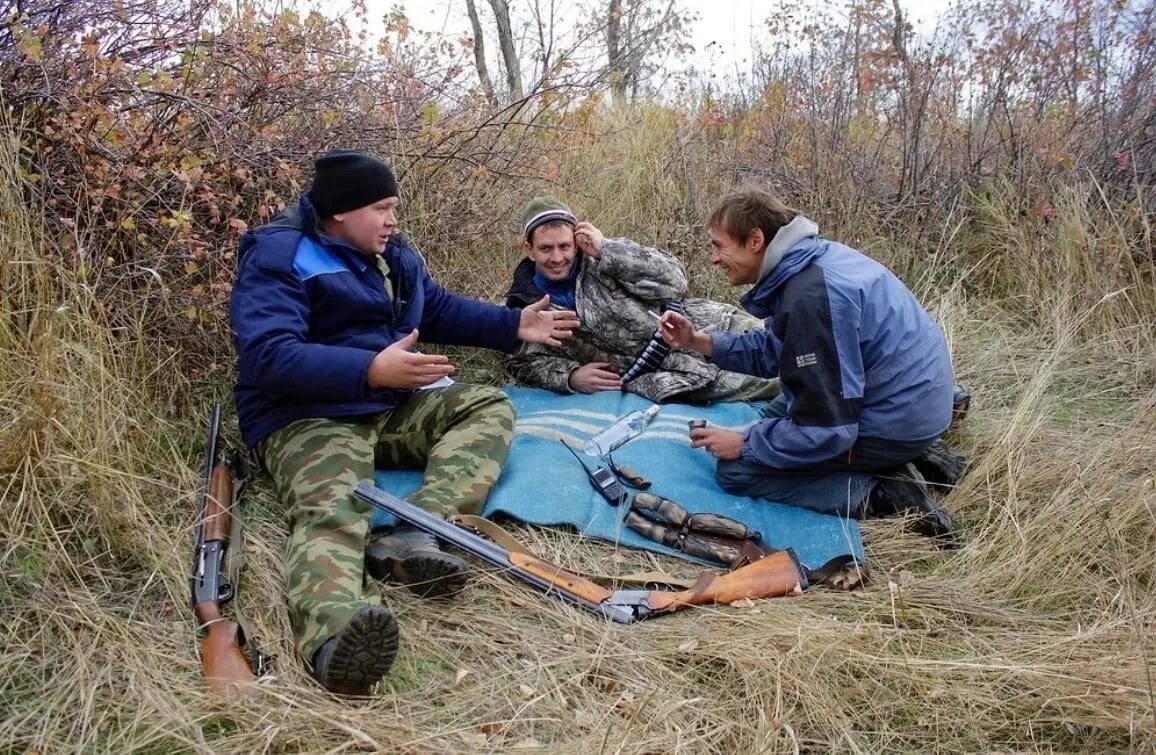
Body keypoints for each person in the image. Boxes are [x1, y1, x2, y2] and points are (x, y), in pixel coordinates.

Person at [229, 150, 579, 696]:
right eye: (381, 208)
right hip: (304, 415)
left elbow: (435, 308)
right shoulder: (278, 257)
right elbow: (268, 356)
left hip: (387, 403)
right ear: (340, 213)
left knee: (485, 406)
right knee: (334, 508)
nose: (393, 219)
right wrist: (369, 367)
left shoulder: (391, 253)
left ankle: (420, 529)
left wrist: (515, 323)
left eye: (394, 207)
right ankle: (335, 635)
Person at [659, 187, 960, 540]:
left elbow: (829, 429)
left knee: (737, 471)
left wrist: (746, 444)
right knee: (777, 413)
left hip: (896, 419)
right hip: (911, 398)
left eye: (719, 245)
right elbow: (778, 351)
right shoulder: (811, 261)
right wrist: (698, 342)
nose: (713, 258)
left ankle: (883, 494)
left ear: (755, 240)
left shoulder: (810, 298)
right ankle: (910, 453)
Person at [504, 196, 780, 403]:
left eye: (564, 246)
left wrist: (607, 249)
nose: (557, 258)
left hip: (710, 325)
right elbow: (522, 363)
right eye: (545, 249)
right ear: (529, 250)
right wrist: (571, 377)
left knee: (802, 348)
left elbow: (675, 281)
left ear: (576, 241)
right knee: (786, 385)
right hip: (675, 375)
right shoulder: (525, 305)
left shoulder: (603, 259)